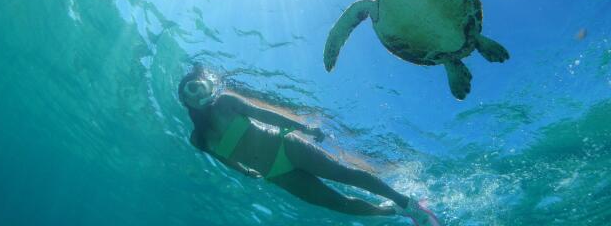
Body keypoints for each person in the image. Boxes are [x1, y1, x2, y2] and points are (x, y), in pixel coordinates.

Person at [178, 65, 441, 225]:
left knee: (344, 174)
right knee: (338, 204)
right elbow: (224, 159)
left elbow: (264, 115)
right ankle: (391, 212)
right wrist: (244, 171)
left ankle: (408, 203)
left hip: (286, 146)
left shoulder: (226, 102)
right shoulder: (198, 139)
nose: (198, 93)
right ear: (185, 99)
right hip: (277, 175)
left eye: (200, 86)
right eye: (191, 90)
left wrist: (302, 128)